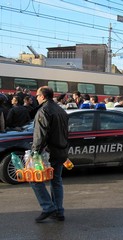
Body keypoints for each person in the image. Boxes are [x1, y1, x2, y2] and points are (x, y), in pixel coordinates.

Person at [30, 86, 69, 223]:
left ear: (43, 96)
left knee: (34, 179)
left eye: (37, 95)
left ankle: (48, 207)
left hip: (48, 153)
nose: (36, 97)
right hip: (61, 151)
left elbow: (40, 135)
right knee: (56, 181)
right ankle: (59, 211)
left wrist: (35, 152)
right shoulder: (60, 110)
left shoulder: (43, 111)